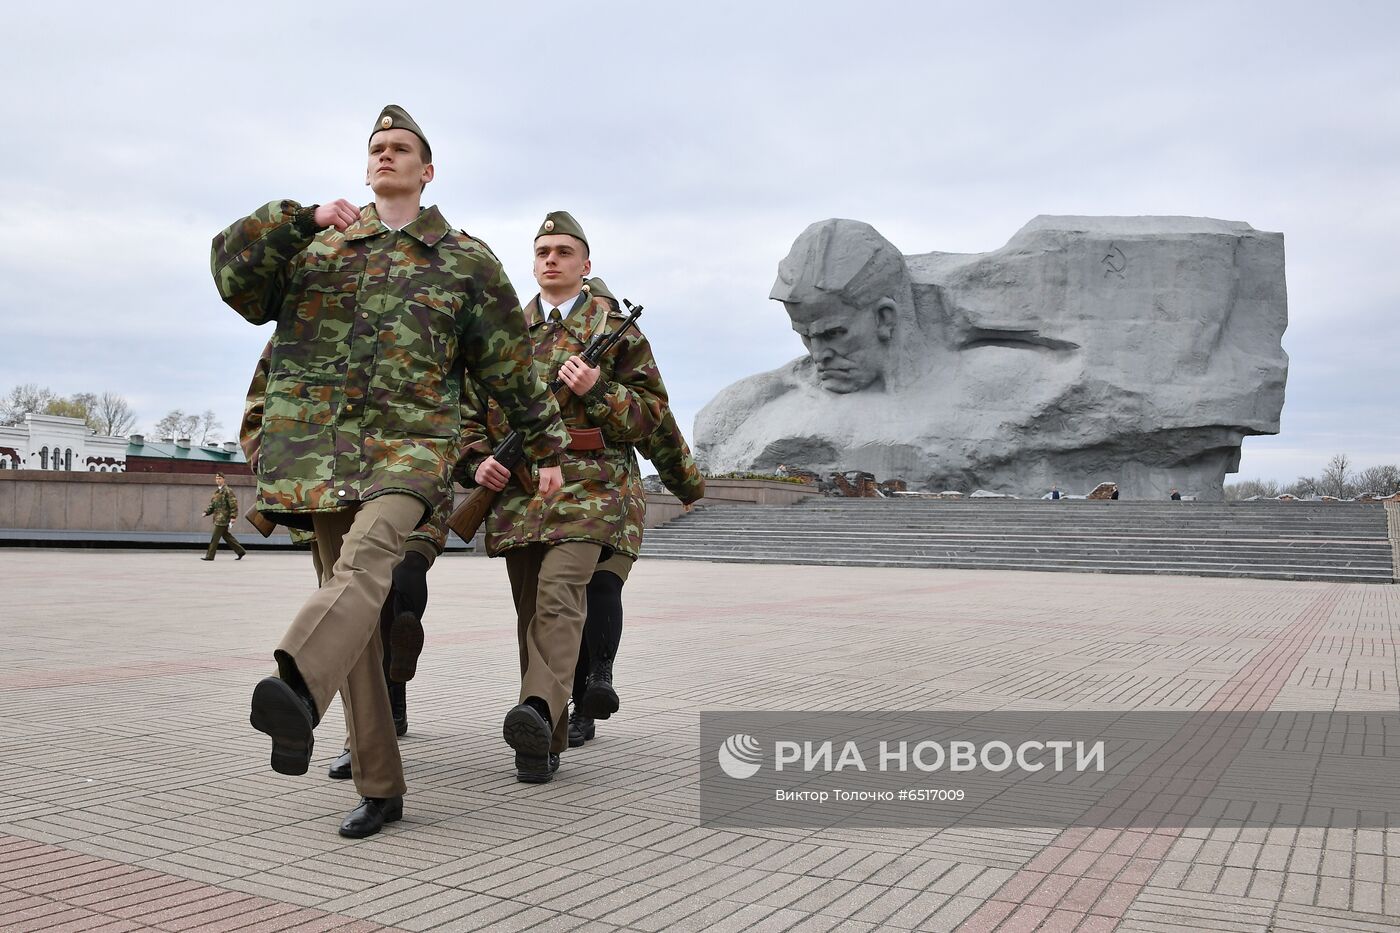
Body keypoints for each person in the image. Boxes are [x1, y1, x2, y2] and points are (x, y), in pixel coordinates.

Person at [210, 105, 568, 838]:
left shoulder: (466, 260)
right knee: (358, 621)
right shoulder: (320, 248)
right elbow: (232, 277)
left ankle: (297, 689)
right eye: (376, 146)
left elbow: (511, 365)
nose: (386, 155)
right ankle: (380, 783)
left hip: (412, 451)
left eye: (400, 147)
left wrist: (548, 447)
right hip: (323, 457)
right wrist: (297, 217)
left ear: (426, 170)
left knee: (372, 560)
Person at [457, 213, 669, 783]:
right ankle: (541, 739)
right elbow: (468, 411)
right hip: (520, 492)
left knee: (558, 599)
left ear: (586, 265)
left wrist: (596, 389)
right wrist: (480, 462)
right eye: (543, 251)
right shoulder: (503, 330)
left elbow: (651, 415)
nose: (551, 259)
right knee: (532, 613)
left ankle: (537, 709)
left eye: (564, 252)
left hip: (590, 489)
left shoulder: (616, 328)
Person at [565, 279, 705, 748]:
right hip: (556, 494)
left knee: (602, 584)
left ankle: (595, 683)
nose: (597, 322)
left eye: (601, 310)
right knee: (570, 598)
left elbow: (658, 422)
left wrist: (685, 484)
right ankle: (575, 697)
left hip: (617, 493)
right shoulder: (543, 342)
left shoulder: (624, 347)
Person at [201, 472, 247, 561]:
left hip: (223, 518)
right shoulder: (217, 492)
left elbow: (233, 504)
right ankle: (240, 551)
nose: (218, 480)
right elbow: (213, 505)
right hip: (218, 517)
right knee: (226, 536)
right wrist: (206, 512)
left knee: (215, 537)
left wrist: (233, 517)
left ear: (223, 479)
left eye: (220, 479)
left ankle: (210, 556)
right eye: (217, 479)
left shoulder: (227, 491)